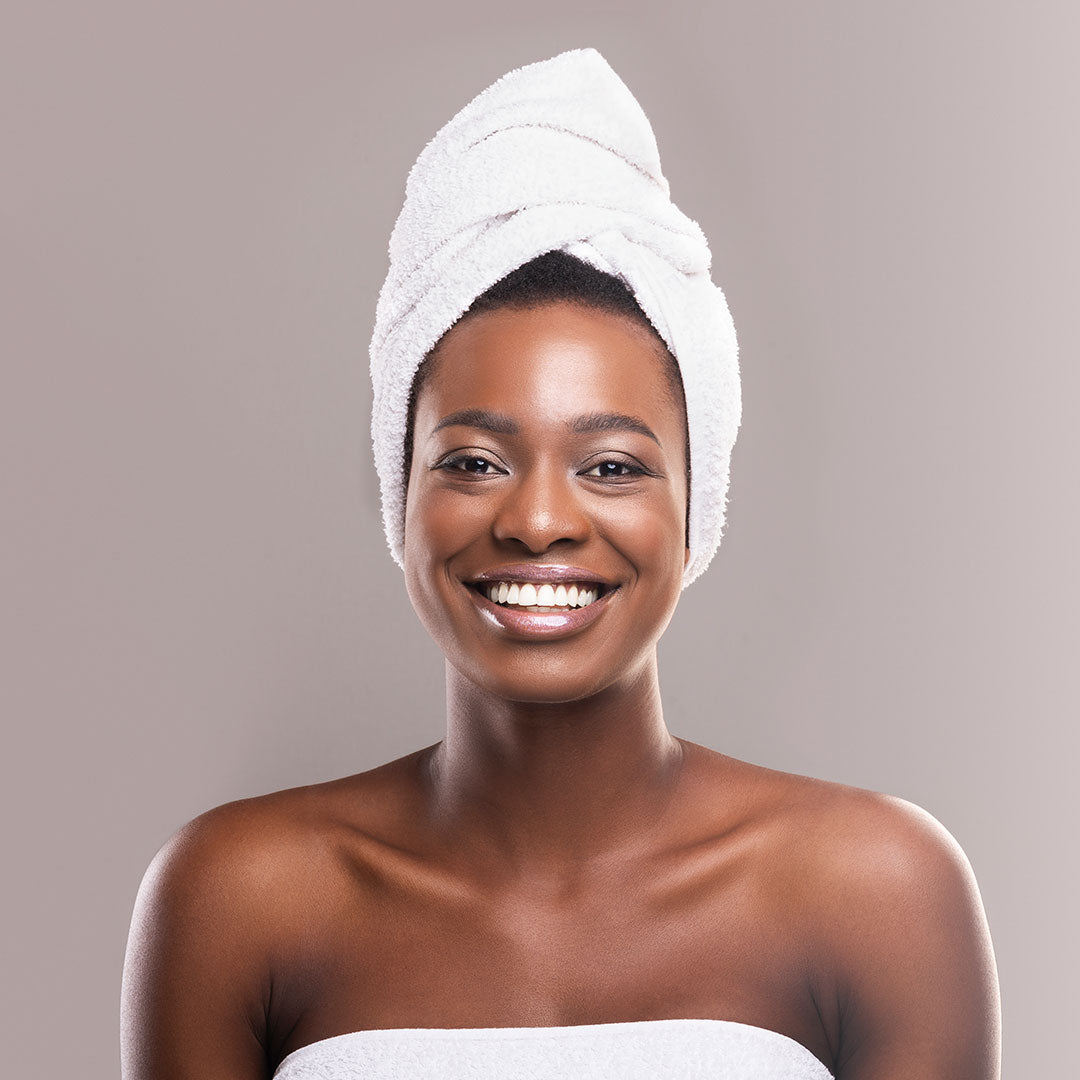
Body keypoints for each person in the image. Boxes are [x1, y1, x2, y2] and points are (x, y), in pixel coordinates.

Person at [120, 50, 1001, 1080]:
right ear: (402, 497)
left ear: (696, 506)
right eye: (476, 460)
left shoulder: (874, 891)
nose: (538, 518)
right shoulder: (238, 899)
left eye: (613, 464)